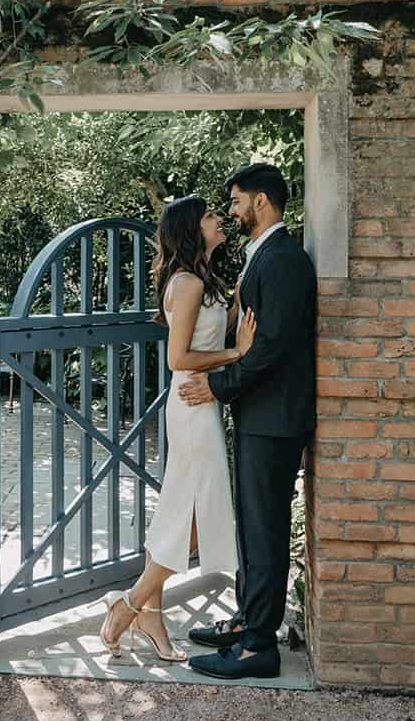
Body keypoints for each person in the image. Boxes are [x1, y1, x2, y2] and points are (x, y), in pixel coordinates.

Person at [97, 195, 256, 662]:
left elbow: (211, 330)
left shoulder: (202, 279)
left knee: (178, 513)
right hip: (190, 401)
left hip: (201, 402)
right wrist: (236, 353)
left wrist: (237, 303)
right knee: (190, 522)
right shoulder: (185, 283)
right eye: (209, 217)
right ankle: (128, 605)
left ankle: (149, 613)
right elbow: (178, 358)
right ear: (192, 228)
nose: (218, 220)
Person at [177, 164, 317, 680]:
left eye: (235, 201)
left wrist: (216, 385)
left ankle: (259, 645)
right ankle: (246, 622)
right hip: (262, 414)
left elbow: (272, 349)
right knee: (254, 529)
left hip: (274, 417)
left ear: (260, 201)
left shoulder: (282, 260)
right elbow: (253, 340)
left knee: (265, 531)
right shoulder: (266, 257)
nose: (231, 210)